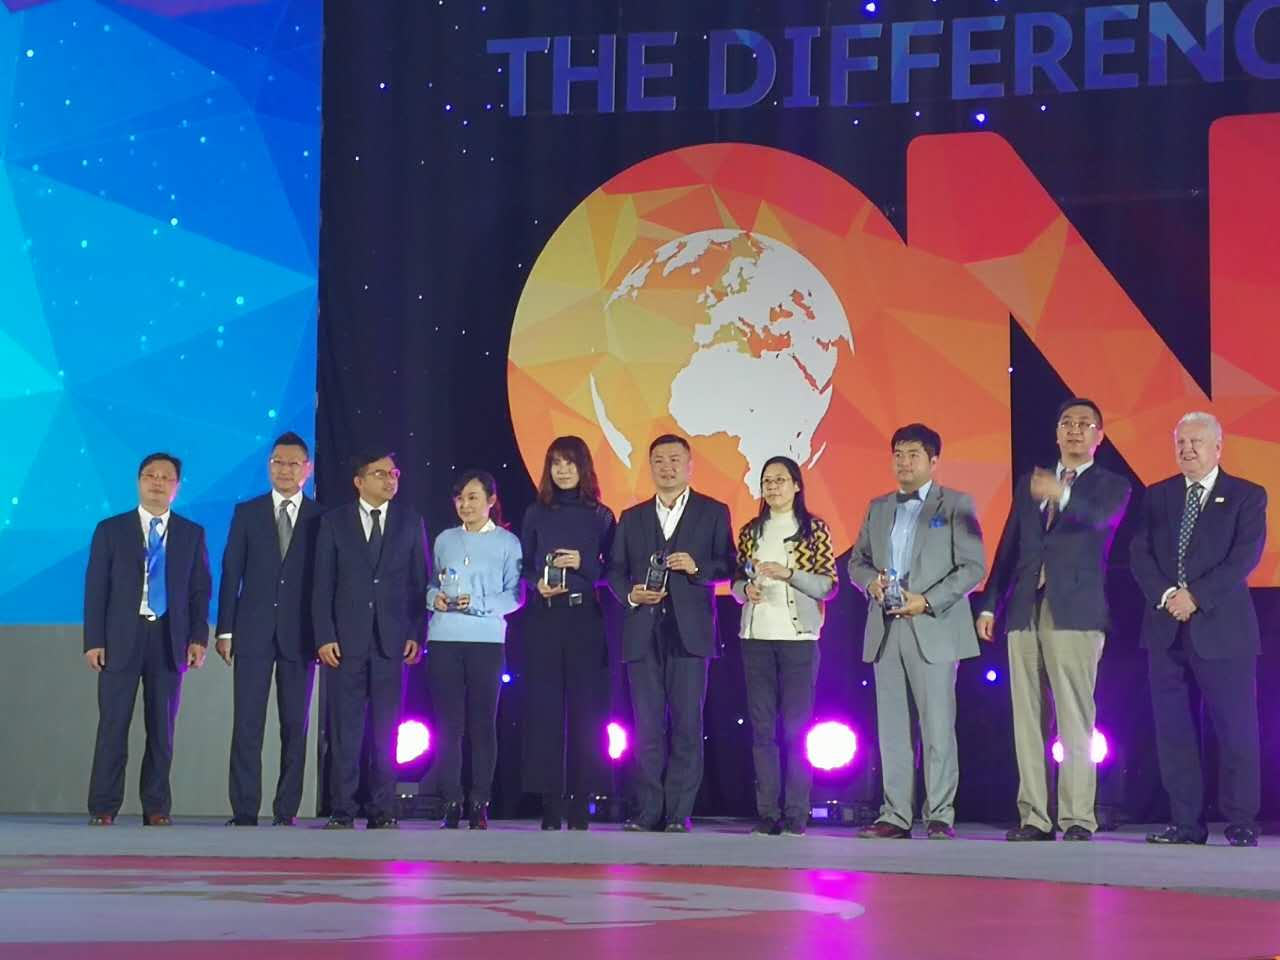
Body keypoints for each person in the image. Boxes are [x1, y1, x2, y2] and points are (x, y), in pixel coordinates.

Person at [978, 399, 1131, 842]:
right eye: (1067, 423)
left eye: (1085, 424)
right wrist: (989, 604)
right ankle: (1034, 817)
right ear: (1057, 432)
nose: (1075, 430)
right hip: (1025, 607)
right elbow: (1009, 546)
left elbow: (1100, 520)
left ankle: (1077, 817)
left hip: (1075, 611)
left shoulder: (1111, 485)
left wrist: (1061, 494)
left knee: (1074, 716)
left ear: (1099, 436)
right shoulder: (1032, 482)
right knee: (1027, 717)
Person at [1130, 412, 1266, 848]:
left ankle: (1241, 820)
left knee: (1235, 729)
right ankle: (1186, 823)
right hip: (1165, 629)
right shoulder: (1158, 496)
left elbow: (1244, 557)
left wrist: (1197, 596)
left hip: (1223, 631)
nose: (1187, 449)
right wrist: (1168, 594)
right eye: (1181, 442)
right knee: (1174, 732)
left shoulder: (1247, 495)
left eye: (1196, 442)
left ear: (1218, 447)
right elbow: (1140, 554)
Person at [849, 424, 986, 840]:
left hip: (933, 625)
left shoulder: (956, 503)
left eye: (913, 455)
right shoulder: (878, 507)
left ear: (933, 461)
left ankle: (940, 813)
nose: (904, 462)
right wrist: (871, 584)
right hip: (887, 626)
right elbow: (857, 562)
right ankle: (895, 814)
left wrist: (926, 600)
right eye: (898, 454)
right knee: (892, 729)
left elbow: (973, 567)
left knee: (937, 726)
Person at [607, 434, 735, 832]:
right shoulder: (632, 517)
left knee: (686, 726)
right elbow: (614, 570)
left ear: (690, 465)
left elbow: (728, 565)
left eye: (675, 459)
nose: (667, 467)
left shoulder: (713, 512)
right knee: (647, 727)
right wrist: (631, 593)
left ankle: (679, 813)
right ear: (650, 467)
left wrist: (697, 569)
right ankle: (648, 811)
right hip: (642, 631)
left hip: (690, 632)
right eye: (659, 460)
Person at [84, 452, 211, 826]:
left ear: (177, 486)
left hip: (169, 638)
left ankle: (156, 806)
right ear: (139, 481)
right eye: (150, 475)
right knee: (113, 726)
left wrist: (198, 637)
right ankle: (103, 806)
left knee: (162, 729)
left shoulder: (191, 533)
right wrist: (94, 640)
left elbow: (200, 591)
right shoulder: (111, 530)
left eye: (165, 477)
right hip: (120, 639)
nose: (157, 482)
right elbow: (96, 589)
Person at [312, 449, 427, 830]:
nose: (390, 480)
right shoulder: (334, 522)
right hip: (345, 643)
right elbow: (322, 585)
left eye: (394, 473)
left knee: (386, 730)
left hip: (392, 643)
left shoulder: (410, 522)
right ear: (359, 481)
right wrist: (325, 635)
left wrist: (416, 633)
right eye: (380, 474)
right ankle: (342, 809)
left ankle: (383, 809)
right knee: (345, 730)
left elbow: (419, 584)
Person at [215, 432, 321, 827]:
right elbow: (232, 573)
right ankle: (244, 809)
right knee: (247, 723)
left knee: (295, 724)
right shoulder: (248, 512)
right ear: (269, 466)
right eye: (278, 462)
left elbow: (325, 582)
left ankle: (286, 809)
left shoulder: (321, 517)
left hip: (301, 635)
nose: (284, 470)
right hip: (252, 631)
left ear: (307, 469)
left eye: (293, 463)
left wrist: (324, 635)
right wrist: (225, 630)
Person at [731, 456, 838, 838]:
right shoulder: (750, 531)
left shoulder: (813, 530)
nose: (773, 487)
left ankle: (796, 812)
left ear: (796, 485)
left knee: (796, 729)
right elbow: (736, 582)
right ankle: (767, 813)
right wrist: (746, 590)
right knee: (763, 729)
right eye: (767, 481)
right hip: (756, 638)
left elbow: (828, 585)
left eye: (780, 480)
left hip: (798, 640)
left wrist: (789, 574)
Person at [519, 437, 617, 830]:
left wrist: (583, 563)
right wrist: (536, 585)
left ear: (583, 468)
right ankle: (550, 801)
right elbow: (525, 566)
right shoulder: (536, 512)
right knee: (545, 710)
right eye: (556, 463)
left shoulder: (601, 515)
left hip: (584, 620)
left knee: (586, 711)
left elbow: (614, 571)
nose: (562, 471)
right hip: (544, 619)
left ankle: (581, 799)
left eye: (570, 463)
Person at [427, 469, 524, 830]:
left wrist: (479, 604)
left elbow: (516, 596)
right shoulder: (444, 539)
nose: (465, 505)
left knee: (482, 724)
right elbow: (429, 583)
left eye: (472, 498)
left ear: (491, 501)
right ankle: (451, 801)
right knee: (448, 725)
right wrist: (433, 598)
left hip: (486, 641)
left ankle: (479, 802)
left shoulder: (508, 543)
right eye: (460, 498)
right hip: (443, 639)